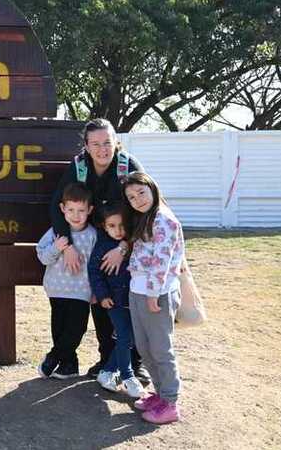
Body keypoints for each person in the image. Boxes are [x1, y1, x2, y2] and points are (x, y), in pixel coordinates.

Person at [49, 118, 148, 380]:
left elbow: (145, 209)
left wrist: (125, 247)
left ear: (116, 141)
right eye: (96, 144)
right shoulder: (79, 167)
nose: (103, 149)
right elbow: (56, 206)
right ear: (86, 146)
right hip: (95, 239)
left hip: (126, 240)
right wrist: (66, 245)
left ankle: (136, 363)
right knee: (101, 296)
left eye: (107, 142)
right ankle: (106, 360)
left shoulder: (128, 165)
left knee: (128, 299)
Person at [123, 172, 184, 424]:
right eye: (131, 196)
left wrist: (153, 294)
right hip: (138, 289)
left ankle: (170, 402)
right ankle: (160, 394)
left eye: (141, 192)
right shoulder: (144, 219)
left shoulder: (163, 220)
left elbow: (161, 262)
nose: (137, 199)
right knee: (145, 347)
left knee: (160, 348)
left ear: (152, 189)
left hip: (155, 293)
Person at [36, 183, 97, 379]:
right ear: (62, 209)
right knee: (59, 330)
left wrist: (97, 290)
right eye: (70, 209)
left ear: (90, 210)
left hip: (82, 291)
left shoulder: (93, 235)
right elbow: (43, 257)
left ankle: (53, 357)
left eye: (81, 210)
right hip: (56, 289)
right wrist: (56, 247)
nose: (76, 215)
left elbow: (96, 267)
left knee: (76, 329)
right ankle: (69, 365)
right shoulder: (56, 232)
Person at [88, 203, 146, 399]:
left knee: (130, 338)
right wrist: (102, 295)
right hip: (115, 302)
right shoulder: (102, 247)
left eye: (122, 225)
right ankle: (128, 376)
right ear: (104, 226)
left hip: (136, 300)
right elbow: (94, 272)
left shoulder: (133, 243)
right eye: (112, 226)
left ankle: (106, 372)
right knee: (123, 336)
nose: (118, 230)